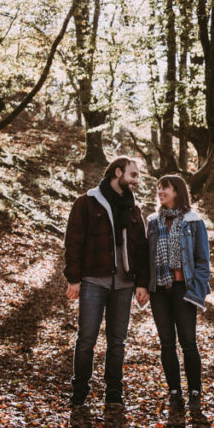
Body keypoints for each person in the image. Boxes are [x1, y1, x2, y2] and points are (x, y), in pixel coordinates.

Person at [64, 156, 150, 409]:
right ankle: (79, 391)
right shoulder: (86, 202)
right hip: (93, 281)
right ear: (117, 172)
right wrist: (74, 278)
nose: (136, 181)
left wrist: (142, 283)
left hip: (124, 285)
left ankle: (114, 392)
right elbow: (73, 241)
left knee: (117, 341)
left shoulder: (134, 208)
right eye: (133, 175)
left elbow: (142, 249)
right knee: (86, 338)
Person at [142, 174, 211, 417]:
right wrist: (143, 285)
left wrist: (197, 290)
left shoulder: (193, 221)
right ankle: (174, 391)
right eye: (158, 188)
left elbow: (203, 261)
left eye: (165, 188)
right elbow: (145, 257)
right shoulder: (152, 221)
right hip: (159, 290)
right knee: (167, 343)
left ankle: (194, 391)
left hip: (184, 290)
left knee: (188, 343)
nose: (160, 192)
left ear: (177, 191)